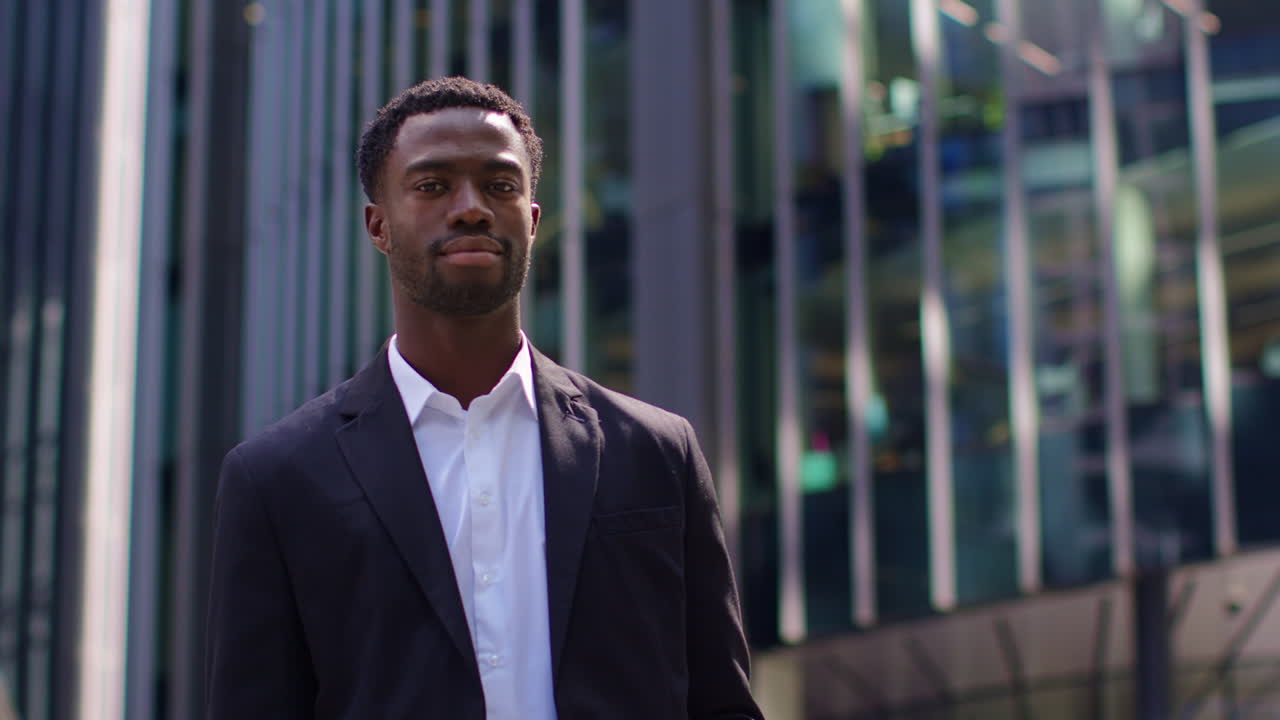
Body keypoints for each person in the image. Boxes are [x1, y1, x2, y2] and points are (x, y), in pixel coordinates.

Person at [205, 76, 762, 720]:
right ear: (378, 224)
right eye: (432, 185)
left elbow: (722, 702)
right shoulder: (275, 478)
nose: (470, 207)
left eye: (499, 185)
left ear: (530, 217)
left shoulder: (657, 449)